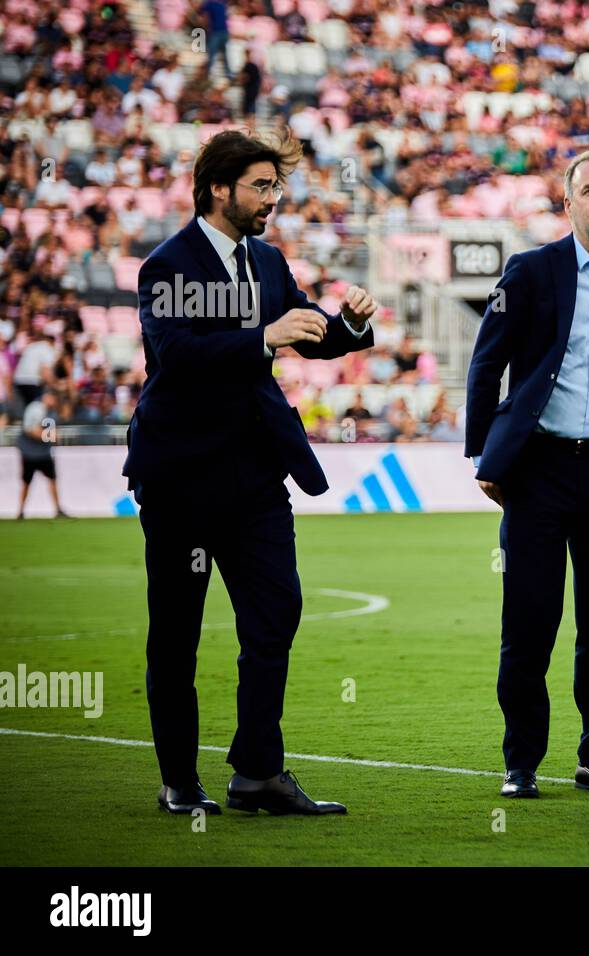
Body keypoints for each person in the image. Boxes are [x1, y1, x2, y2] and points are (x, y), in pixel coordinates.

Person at [125, 129, 376, 816]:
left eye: (276, 186)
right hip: (181, 478)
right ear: (217, 188)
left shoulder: (266, 261)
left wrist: (349, 326)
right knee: (175, 634)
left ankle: (257, 773)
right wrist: (263, 338)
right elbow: (174, 355)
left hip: (256, 479)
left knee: (276, 613)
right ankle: (179, 780)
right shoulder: (166, 266)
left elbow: (310, 333)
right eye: (262, 186)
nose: (274, 198)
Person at [464, 149, 589, 800]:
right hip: (539, 470)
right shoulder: (530, 272)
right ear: (569, 202)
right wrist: (483, 454)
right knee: (529, 622)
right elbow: (485, 363)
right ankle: (521, 762)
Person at [17, 390, 67, 519]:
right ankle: (21, 511)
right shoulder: (35, 409)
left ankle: (58, 509)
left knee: (52, 479)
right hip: (30, 452)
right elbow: (30, 430)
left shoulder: (51, 412)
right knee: (26, 482)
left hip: (43, 452)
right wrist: (50, 436)